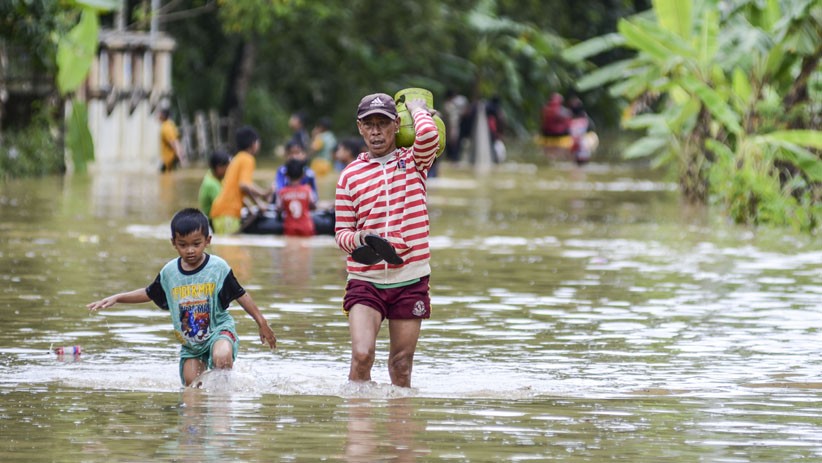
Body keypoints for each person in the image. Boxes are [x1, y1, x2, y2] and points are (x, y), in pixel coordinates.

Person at [86, 208, 277, 387]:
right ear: (174, 243)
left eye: (196, 244)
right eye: (183, 245)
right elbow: (149, 293)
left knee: (222, 357)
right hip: (191, 345)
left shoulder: (218, 268)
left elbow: (240, 295)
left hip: (219, 331)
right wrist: (118, 297)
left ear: (207, 240)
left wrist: (261, 322)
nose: (190, 250)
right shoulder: (169, 272)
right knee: (192, 388)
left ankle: (223, 403)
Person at [334, 92, 439, 388]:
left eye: (383, 123)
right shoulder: (349, 176)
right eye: (369, 124)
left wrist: (417, 110)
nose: (376, 131)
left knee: (401, 365)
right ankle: (358, 416)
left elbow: (429, 136)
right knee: (362, 355)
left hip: (410, 276)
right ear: (360, 128)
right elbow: (341, 234)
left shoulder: (415, 161)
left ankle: (399, 418)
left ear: (396, 125)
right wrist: (360, 238)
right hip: (365, 279)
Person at [210, 126, 273, 234]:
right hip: (228, 213)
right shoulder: (248, 159)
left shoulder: (237, 158)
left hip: (221, 211)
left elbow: (244, 187)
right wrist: (263, 193)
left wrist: (257, 202)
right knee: (230, 245)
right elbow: (244, 185)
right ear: (253, 144)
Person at [276, 158, 316, 237]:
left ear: (286, 175)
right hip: (306, 227)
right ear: (303, 175)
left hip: (290, 227)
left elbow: (278, 208)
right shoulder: (307, 190)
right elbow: (313, 205)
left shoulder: (282, 192)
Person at [198, 150, 230, 219]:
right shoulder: (211, 185)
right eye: (227, 167)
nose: (228, 170)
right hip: (213, 219)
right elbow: (222, 206)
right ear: (219, 167)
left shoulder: (212, 174)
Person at [442, 90, 469, 163]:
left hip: (454, 125)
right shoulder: (448, 105)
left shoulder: (451, 104)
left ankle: (454, 157)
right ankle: (452, 157)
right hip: (451, 125)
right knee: (452, 141)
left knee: (454, 141)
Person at [159, 108, 184, 172]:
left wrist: (180, 157)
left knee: (167, 177)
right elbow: (176, 141)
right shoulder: (171, 124)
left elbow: (174, 142)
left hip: (169, 161)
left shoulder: (166, 127)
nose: (158, 116)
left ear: (163, 115)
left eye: (160, 114)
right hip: (171, 160)